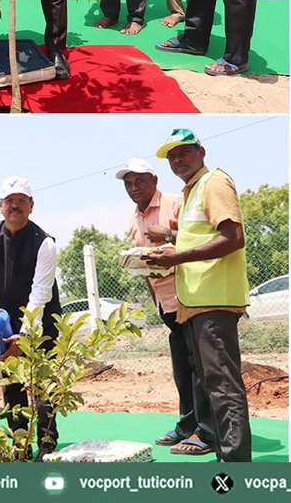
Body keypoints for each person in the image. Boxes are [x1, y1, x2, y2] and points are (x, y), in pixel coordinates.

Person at [142, 130, 252, 462]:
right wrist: (172, 248)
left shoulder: (214, 183)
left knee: (223, 385)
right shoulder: (192, 192)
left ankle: (235, 466)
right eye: (172, 156)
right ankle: (224, 456)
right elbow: (198, 239)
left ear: (201, 152)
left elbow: (234, 237)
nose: (178, 160)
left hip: (214, 301)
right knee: (212, 385)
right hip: (197, 303)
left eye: (184, 153)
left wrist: (176, 257)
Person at [118, 159, 216, 455]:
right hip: (166, 303)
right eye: (128, 184)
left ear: (155, 180)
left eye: (139, 182)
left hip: (191, 297)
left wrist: (169, 236)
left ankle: (207, 431)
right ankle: (187, 426)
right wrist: (157, 303)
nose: (134, 188)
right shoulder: (134, 219)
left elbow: (202, 241)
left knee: (201, 368)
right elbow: (145, 265)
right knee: (182, 370)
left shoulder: (176, 203)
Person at [0, 177, 61, 458]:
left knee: (43, 385)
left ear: (31, 206)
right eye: (10, 201)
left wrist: (27, 336)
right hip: (5, 321)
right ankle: (21, 443)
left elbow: (40, 294)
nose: (15, 206)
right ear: (0, 206)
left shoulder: (44, 243)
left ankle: (47, 444)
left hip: (40, 321)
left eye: (21, 201)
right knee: (12, 385)